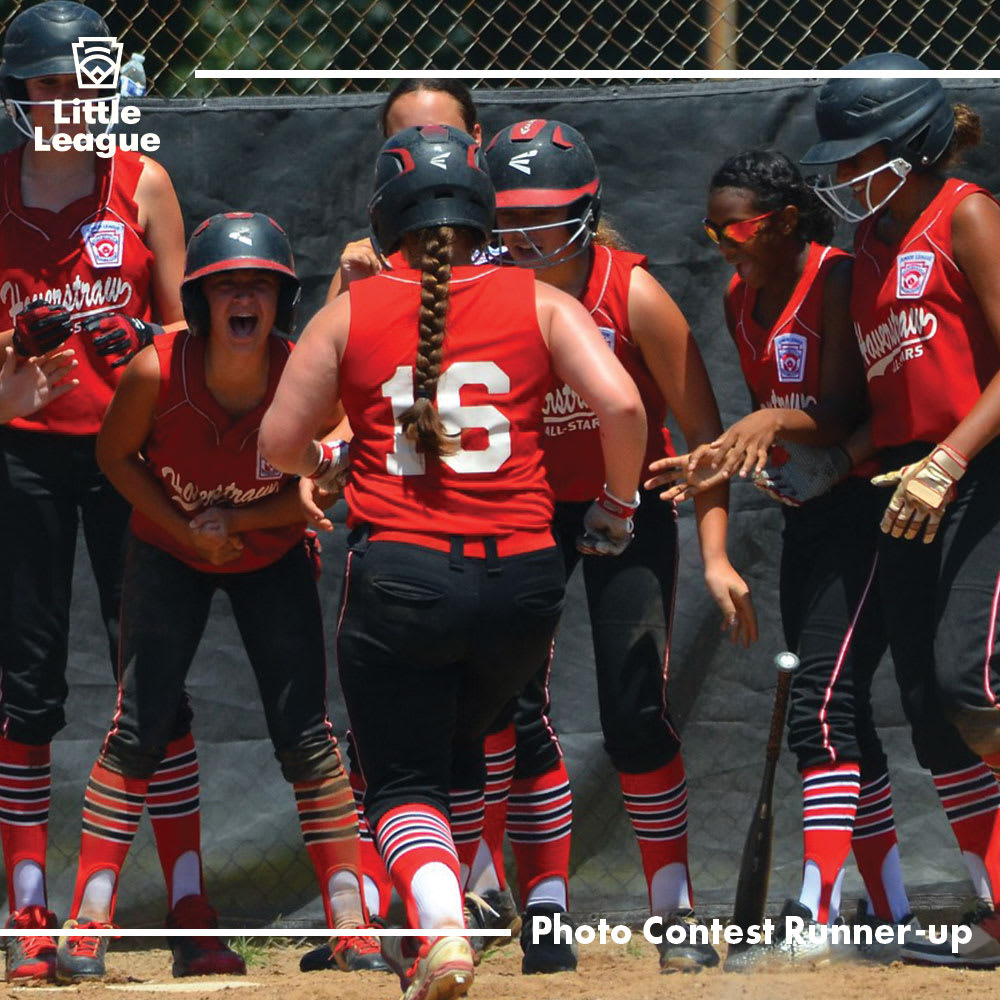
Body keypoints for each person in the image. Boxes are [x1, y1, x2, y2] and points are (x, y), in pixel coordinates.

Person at [259, 123, 647, 1000]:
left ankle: (439, 926)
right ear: (484, 208)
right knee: (466, 752)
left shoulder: (350, 311)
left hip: (403, 575)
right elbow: (622, 406)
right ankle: (447, 920)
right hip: (524, 577)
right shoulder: (542, 300)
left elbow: (279, 444)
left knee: (399, 780)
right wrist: (619, 507)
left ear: (386, 215)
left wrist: (332, 458)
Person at [54, 212, 379, 983]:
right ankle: (86, 924)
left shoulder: (306, 376)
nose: (244, 299)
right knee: (139, 728)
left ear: (281, 302)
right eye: (226, 287)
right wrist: (185, 528)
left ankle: (351, 926)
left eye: (259, 287)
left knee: (305, 735)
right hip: (168, 548)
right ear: (198, 304)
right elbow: (113, 456)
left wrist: (234, 520)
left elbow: (316, 497)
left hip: (269, 552)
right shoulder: (156, 370)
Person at [483, 119, 757, 975]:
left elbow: (707, 440)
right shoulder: (483, 290)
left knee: (634, 710)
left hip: (624, 510)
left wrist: (714, 555)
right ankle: (544, 913)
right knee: (506, 708)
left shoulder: (630, 292)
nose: (525, 238)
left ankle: (674, 917)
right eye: (510, 220)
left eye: (547, 217)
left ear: (587, 210)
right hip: (521, 509)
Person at [650, 148, 917, 968]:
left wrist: (759, 430)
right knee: (842, 714)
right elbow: (781, 417)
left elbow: (837, 411)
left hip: (874, 508)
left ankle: (813, 909)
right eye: (711, 226)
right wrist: (741, 448)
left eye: (736, 226)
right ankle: (896, 910)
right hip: (811, 517)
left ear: (787, 222)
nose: (721, 240)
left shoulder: (835, 279)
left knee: (821, 711)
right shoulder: (740, 296)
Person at [0, 2, 210, 984]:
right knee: (28, 682)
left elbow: (185, 334)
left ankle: (189, 903)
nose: (66, 105)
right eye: (47, 86)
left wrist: (150, 359)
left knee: (152, 672)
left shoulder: (144, 184)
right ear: (19, 91)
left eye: (82, 85)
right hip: (21, 456)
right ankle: (31, 912)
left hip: (128, 456)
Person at [800, 52, 1000, 966]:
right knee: (925, 705)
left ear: (914, 142)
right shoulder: (865, 252)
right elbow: (895, 400)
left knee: (971, 687)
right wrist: (836, 459)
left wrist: (952, 459)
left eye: (861, 154)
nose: (844, 174)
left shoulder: (963, 213)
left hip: (981, 468)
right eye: (836, 158)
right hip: (912, 477)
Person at [325, 79, 483, 302]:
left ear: (476, 137)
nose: (428, 151)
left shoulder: (517, 241)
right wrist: (353, 292)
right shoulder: (369, 263)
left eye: (442, 133)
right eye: (407, 139)